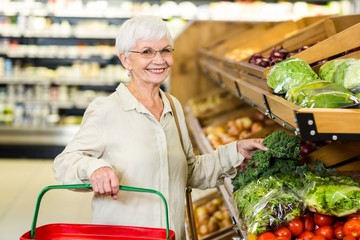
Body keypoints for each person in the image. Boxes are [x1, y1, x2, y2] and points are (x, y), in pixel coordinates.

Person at [53, 15, 268, 239]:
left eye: (165, 50)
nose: (159, 60)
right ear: (126, 60)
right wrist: (94, 168)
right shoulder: (107, 109)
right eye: (147, 52)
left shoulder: (172, 106)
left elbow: (190, 172)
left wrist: (236, 151)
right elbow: (64, 164)